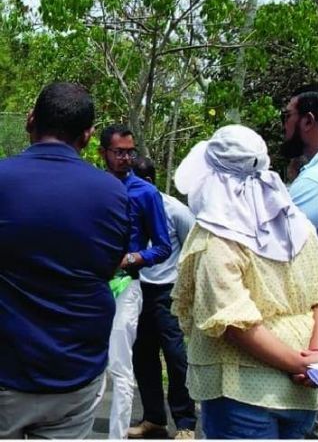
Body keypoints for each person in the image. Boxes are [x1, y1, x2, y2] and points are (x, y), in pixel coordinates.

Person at [172, 126, 318, 440]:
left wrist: (298, 364)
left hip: (242, 395)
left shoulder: (218, 236)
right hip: (303, 396)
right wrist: (314, 357)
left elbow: (234, 323)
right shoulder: (297, 223)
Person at [0, 83, 130, 441]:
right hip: (75, 369)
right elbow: (109, 267)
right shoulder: (112, 194)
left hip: (7, 368)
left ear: (30, 121)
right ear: (88, 136)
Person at [101, 124, 173, 441]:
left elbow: (162, 246)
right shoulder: (95, 186)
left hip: (125, 286)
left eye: (130, 152)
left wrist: (131, 259)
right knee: (88, 364)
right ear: (104, 153)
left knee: (119, 366)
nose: (126, 158)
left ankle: (115, 436)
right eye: (119, 152)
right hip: (91, 287)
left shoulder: (146, 193)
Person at [128, 157, 197, 441]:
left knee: (176, 356)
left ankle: (185, 423)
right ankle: (154, 419)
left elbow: (191, 249)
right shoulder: (126, 206)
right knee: (142, 357)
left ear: (150, 182)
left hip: (167, 292)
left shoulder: (175, 209)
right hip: (137, 290)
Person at [282, 87, 318, 236]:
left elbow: (277, 237)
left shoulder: (313, 181)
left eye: (287, 116)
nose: (284, 125)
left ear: (308, 121)